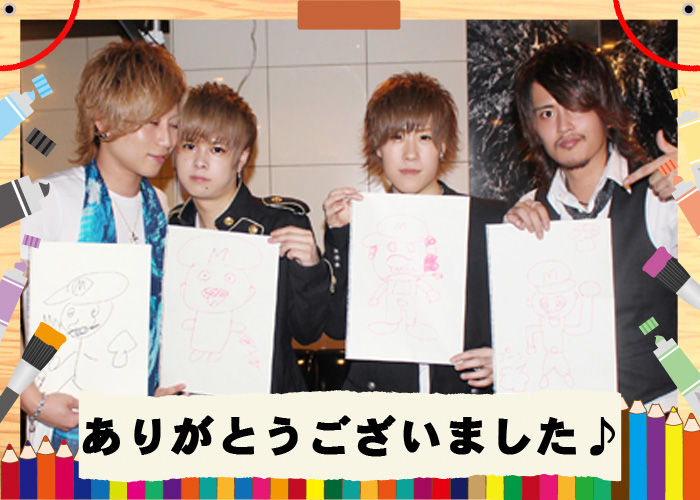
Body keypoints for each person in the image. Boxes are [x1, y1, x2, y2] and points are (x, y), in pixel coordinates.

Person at [19, 41, 187, 452]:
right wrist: (30, 398)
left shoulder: (158, 205)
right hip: (63, 435)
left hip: (140, 435)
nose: (166, 139)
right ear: (104, 121)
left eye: (173, 124)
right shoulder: (50, 199)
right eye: (151, 122)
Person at [504, 41, 678, 408]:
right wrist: (509, 248)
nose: (563, 125)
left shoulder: (659, 195)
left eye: (575, 105)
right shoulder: (528, 212)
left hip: (660, 415)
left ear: (604, 108)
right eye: (547, 113)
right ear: (534, 129)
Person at [323, 72, 506, 393]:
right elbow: (337, 327)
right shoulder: (360, 224)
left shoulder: (488, 220)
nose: (410, 154)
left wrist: (506, 357)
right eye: (396, 137)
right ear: (378, 147)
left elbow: (527, 319)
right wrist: (341, 235)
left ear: (443, 146)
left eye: (424, 137)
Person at [168, 82, 332, 393]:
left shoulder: (279, 226)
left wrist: (311, 268)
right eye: (189, 146)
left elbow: (308, 332)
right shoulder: (169, 229)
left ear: (242, 158)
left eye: (217, 149)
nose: (200, 161)